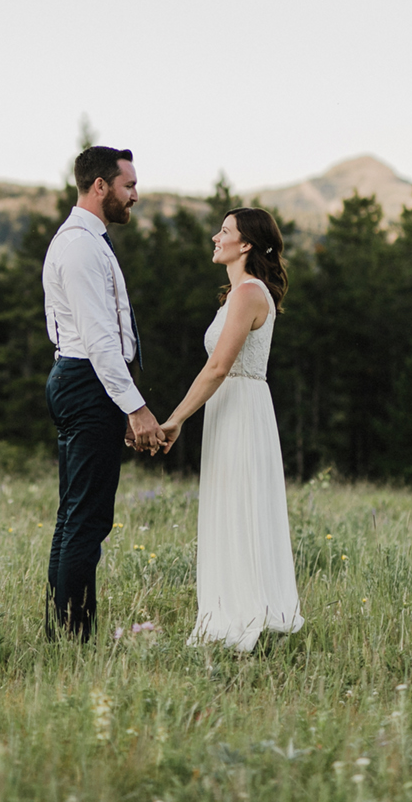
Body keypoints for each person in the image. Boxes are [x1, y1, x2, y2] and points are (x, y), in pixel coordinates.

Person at [158, 207, 304, 652]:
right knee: (230, 506)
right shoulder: (236, 295)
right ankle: (232, 608)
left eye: (224, 231)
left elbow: (219, 366)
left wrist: (176, 418)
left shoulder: (247, 294)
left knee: (241, 506)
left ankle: (244, 614)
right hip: (233, 408)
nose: (215, 237)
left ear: (245, 245)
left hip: (240, 406)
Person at [41, 145, 166, 640]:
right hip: (86, 381)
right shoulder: (80, 246)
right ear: (100, 186)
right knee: (86, 520)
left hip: (82, 380)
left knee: (75, 515)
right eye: (128, 186)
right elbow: (98, 341)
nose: (135, 195)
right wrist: (136, 409)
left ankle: (63, 634)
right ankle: (74, 636)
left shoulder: (88, 241)